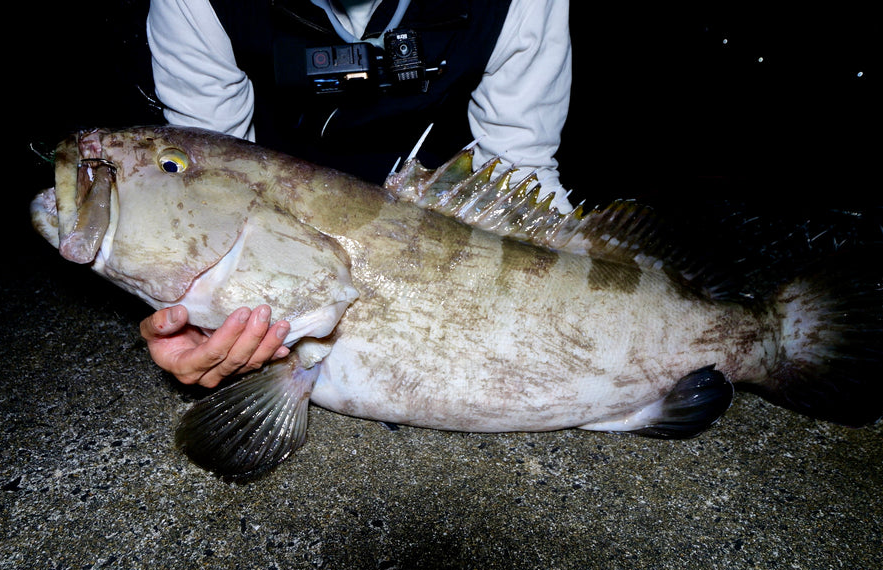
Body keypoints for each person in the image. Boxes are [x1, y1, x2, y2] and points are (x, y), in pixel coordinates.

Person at [140, 0, 573, 387]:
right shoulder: (195, 4)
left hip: (447, 224)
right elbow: (207, 178)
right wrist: (197, 312)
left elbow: (522, 174)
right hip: (293, 228)